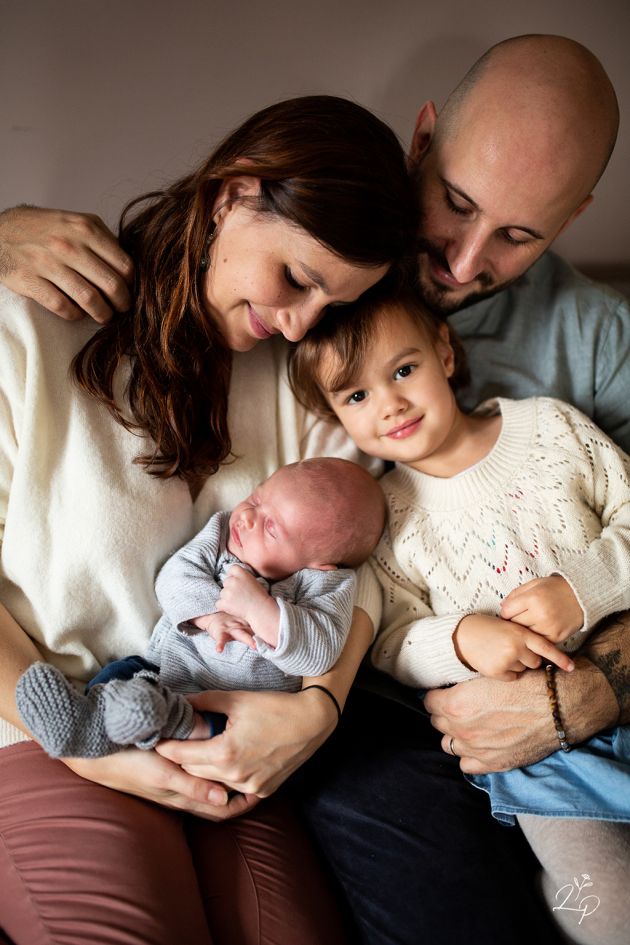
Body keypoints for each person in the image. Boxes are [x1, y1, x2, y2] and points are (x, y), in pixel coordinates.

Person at [2, 33, 629, 945]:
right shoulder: (276, 326)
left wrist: (319, 707)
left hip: (299, 702)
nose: (462, 262)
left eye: (519, 234)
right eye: (457, 205)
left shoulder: (572, 357)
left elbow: (354, 561)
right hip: (128, 715)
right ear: (421, 144)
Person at [0, 94, 416, 945]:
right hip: (41, 730)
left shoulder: (298, 380)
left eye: (330, 304)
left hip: (224, 736)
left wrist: (318, 708)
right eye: (296, 278)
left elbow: (364, 565)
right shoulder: (29, 324)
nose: (298, 323)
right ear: (232, 194)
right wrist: (85, 752)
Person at [289, 284, 630, 944]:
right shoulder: (386, 514)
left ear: (445, 353)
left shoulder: (551, 428)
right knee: (609, 913)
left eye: (402, 370)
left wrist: (580, 588)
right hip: (537, 755)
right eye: (355, 396)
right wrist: (463, 639)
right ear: (333, 414)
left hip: (623, 689)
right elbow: (392, 638)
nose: (389, 403)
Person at [16, 458, 385, 759]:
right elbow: (174, 577)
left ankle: (168, 720)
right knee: (119, 674)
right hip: (164, 670)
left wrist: (259, 609)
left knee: (225, 732)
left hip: (237, 707)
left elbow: (319, 653)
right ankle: (84, 724)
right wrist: (210, 616)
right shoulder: (222, 532)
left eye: (271, 528)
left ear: (319, 564)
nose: (247, 517)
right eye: (256, 498)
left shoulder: (326, 585)